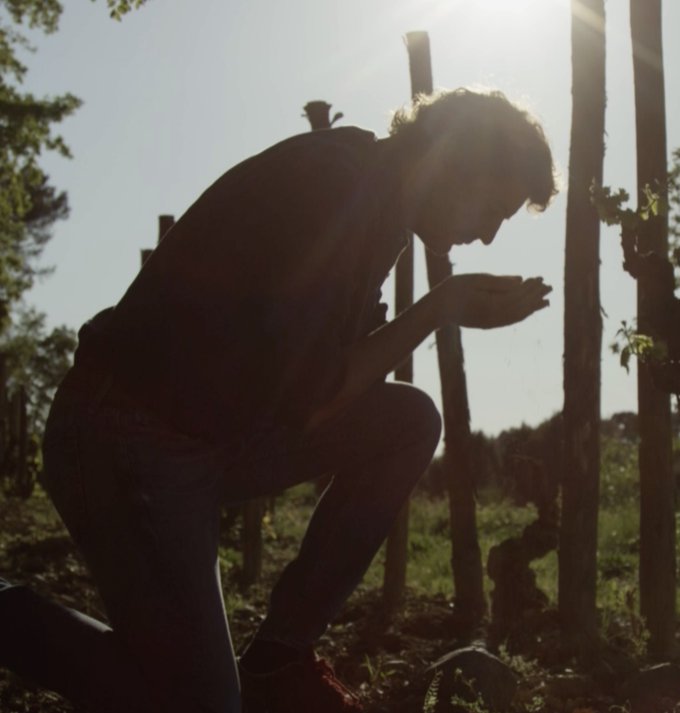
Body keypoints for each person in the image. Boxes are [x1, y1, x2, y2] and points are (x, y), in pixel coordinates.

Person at [5, 87, 557, 713]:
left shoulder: (379, 211)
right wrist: (438, 308)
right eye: (493, 210)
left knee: (407, 422)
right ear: (457, 160)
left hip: (215, 437)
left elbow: (334, 376)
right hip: (124, 439)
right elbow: (315, 399)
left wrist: (438, 310)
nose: (487, 236)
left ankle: (277, 659)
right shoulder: (331, 187)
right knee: (202, 704)